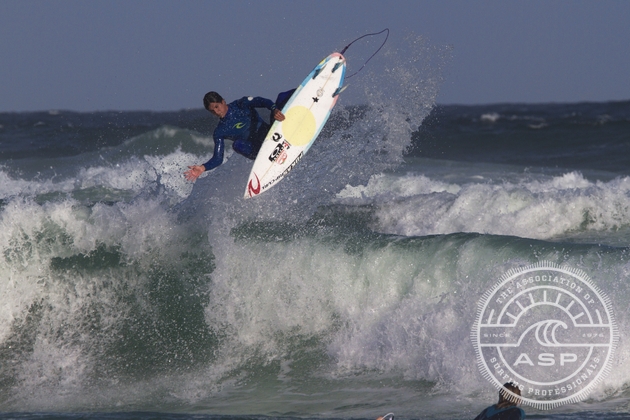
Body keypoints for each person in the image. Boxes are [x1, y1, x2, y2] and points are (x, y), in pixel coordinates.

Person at [184, 89, 294, 182]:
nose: (216, 112)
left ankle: (310, 88)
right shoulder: (220, 131)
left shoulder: (241, 104)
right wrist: (203, 168)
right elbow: (218, 158)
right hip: (259, 150)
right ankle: (267, 160)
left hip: (272, 134)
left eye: (217, 107)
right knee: (237, 145)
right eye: (212, 111)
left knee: (282, 96)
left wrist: (275, 110)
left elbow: (263, 102)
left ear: (223, 102)